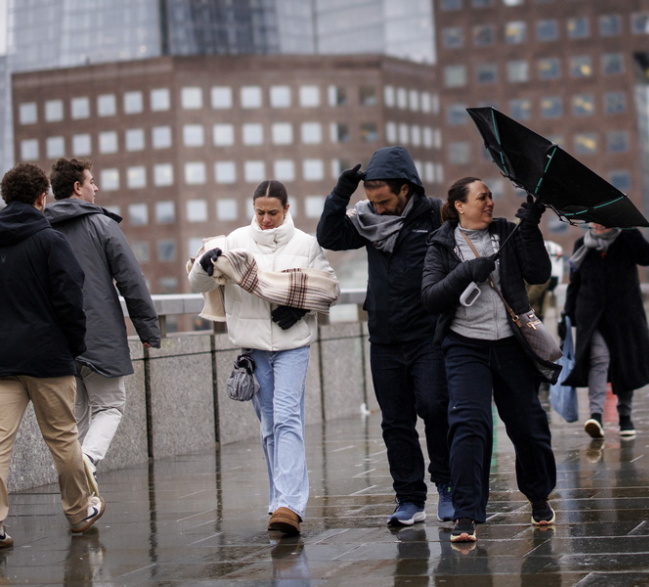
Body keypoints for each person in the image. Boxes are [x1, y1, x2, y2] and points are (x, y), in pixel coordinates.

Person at [189, 180, 339, 535]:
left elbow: (327, 287)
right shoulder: (233, 242)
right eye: (260, 212)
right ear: (252, 209)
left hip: (293, 345)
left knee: (287, 419)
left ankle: (290, 504)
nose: (267, 219)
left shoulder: (306, 243)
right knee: (271, 425)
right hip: (253, 347)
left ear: (287, 209)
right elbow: (199, 285)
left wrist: (297, 309)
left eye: (273, 212)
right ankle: (278, 501)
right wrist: (205, 265)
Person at [316, 146, 453, 527]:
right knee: (395, 421)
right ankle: (409, 498)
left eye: (385, 200)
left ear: (406, 189)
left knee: (436, 409)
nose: (379, 209)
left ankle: (448, 486)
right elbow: (329, 235)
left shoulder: (437, 214)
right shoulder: (367, 222)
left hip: (429, 336)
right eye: (372, 201)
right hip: (385, 337)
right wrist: (341, 192)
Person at [422, 177, 557, 543]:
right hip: (465, 347)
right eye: (482, 197)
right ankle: (466, 513)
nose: (489, 203)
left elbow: (540, 274)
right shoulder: (441, 244)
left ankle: (539, 496)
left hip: (512, 345)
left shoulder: (508, 234)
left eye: (490, 197)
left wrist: (530, 226)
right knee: (469, 426)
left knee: (528, 425)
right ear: (459, 205)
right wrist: (467, 270)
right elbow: (432, 297)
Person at [0, 163, 105, 548]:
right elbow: (70, 301)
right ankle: (79, 513)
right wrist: (74, 346)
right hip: (48, 359)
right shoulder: (50, 241)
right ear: (42, 198)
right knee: (63, 439)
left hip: (3, 361)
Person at [45, 158, 160, 489]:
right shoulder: (102, 225)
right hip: (97, 334)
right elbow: (131, 281)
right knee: (110, 405)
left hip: (56, 340)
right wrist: (148, 330)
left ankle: (80, 500)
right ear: (77, 187)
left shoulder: (42, 227)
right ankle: (86, 461)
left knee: (79, 416)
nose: (96, 187)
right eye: (91, 181)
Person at [562, 223, 649, 439]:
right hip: (591, 316)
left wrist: (630, 229)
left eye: (602, 219)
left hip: (623, 314)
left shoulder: (626, 240)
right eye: (594, 220)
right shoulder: (582, 245)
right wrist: (568, 314)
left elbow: (648, 257)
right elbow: (574, 282)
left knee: (623, 361)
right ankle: (596, 415)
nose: (598, 223)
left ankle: (625, 416)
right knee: (599, 359)